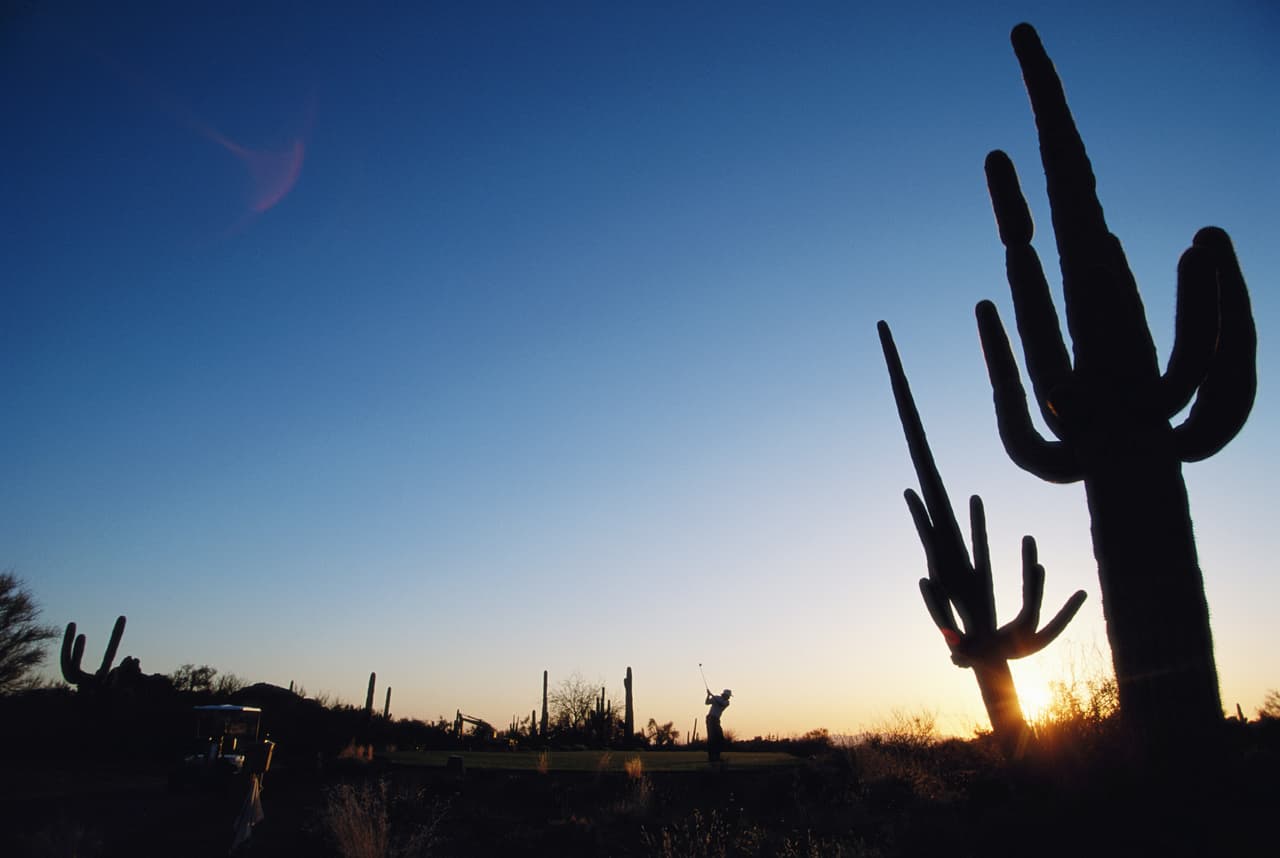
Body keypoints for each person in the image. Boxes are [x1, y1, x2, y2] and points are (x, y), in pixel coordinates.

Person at [704, 688, 732, 762]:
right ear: (725, 695)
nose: (729, 697)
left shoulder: (727, 702)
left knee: (719, 738)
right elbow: (706, 703)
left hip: (716, 720)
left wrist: (712, 695)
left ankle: (716, 756)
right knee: (712, 738)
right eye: (728, 696)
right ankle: (712, 757)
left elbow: (721, 703)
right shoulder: (716, 697)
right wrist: (708, 695)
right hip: (710, 719)